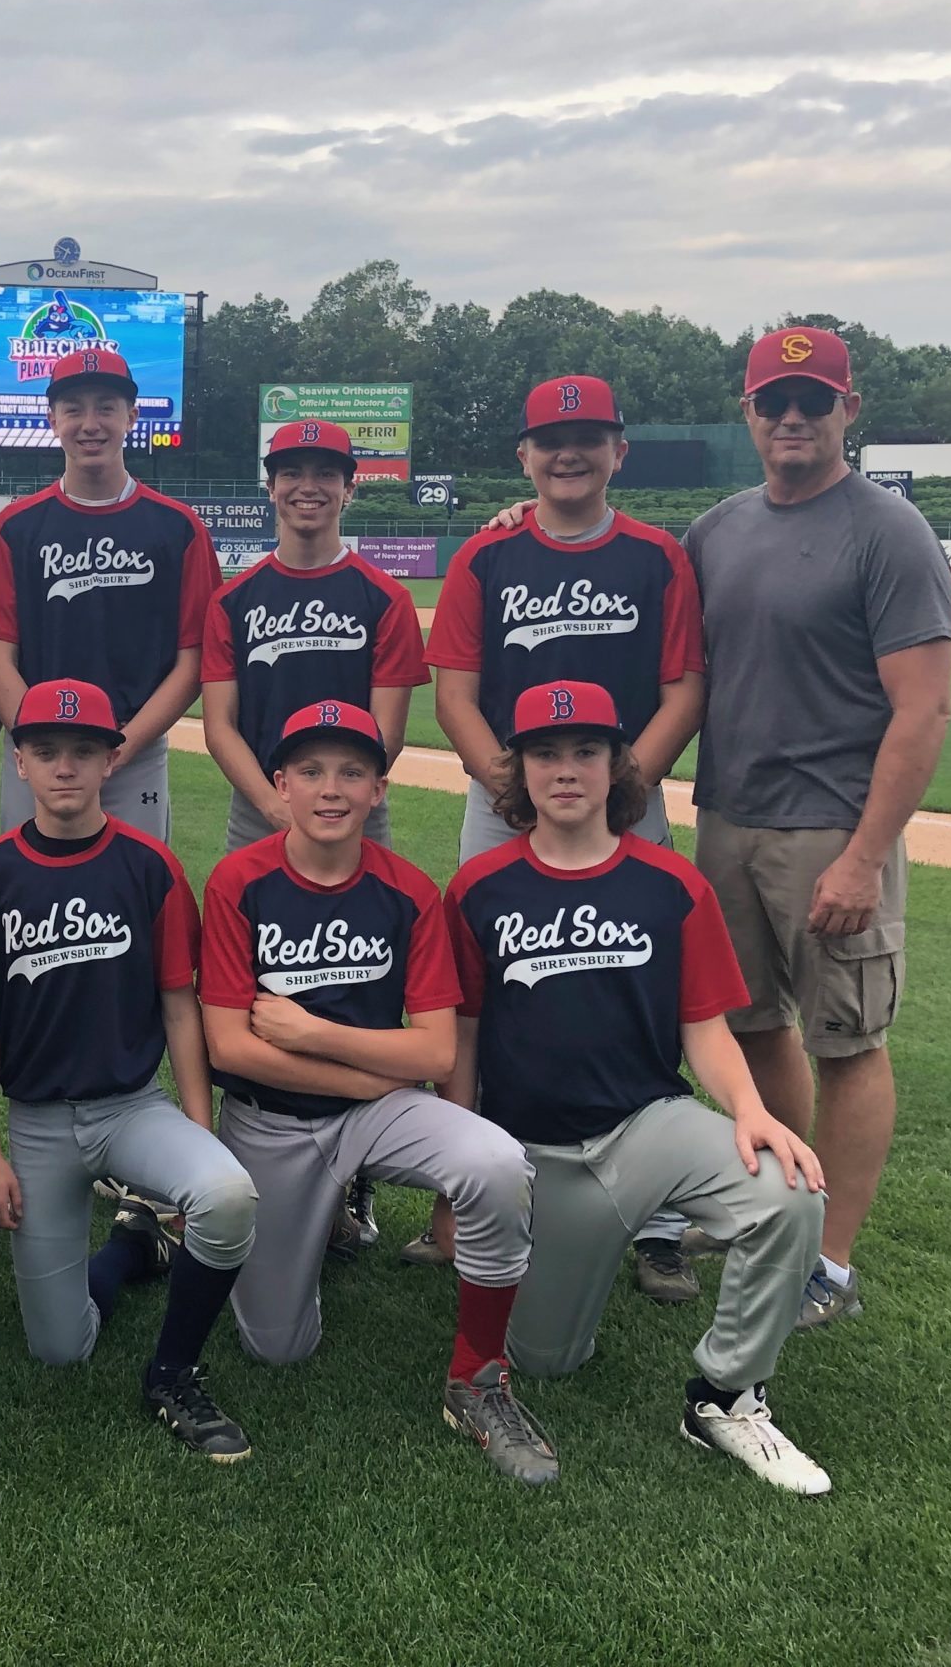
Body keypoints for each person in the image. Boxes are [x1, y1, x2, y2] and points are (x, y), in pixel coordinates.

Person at [443, 681, 834, 1495]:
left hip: (645, 1131)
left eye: (586, 750)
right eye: (545, 753)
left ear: (617, 766)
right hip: (534, 1153)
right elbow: (466, 1034)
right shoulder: (479, 887)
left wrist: (754, 1113)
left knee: (789, 1193)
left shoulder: (670, 884)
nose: (566, 769)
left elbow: (704, 1029)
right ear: (518, 770)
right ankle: (569, 1281)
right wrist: (457, 1164)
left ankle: (725, 1396)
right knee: (544, 1361)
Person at [198, 702, 550, 1485]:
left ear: (379, 789)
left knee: (493, 1161)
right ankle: (312, 1223)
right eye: (313, 772)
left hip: (378, 1114)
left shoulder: (409, 892)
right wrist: (376, 1071)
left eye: (352, 772)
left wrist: (315, 1036)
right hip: (272, 1124)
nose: (332, 790)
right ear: (279, 786)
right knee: (275, 1347)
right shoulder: (238, 882)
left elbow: (434, 1046)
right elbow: (228, 1046)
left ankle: (478, 1376)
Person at [684, 326, 951, 1330]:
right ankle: (784, 1210)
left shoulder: (887, 530)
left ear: (849, 411)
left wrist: (863, 855)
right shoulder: (716, 531)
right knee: (751, 1027)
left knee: (846, 1041)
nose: (791, 418)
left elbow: (922, 710)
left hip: (832, 831)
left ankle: (829, 1263)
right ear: (748, 414)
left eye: (812, 401)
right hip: (727, 818)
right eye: (772, 402)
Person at [433, 375, 708, 1298]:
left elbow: (682, 691)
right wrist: (508, 785)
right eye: (551, 440)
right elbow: (457, 694)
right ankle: (481, 1189)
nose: (568, 453)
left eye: (588, 437)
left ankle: (661, 1215)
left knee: (647, 984)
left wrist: (626, 785)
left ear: (618, 451)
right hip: (502, 796)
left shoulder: (657, 558)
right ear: (525, 456)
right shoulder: (486, 555)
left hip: (628, 799)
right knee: (486, 990)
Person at [0, 680, 260, 1460]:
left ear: (113, 760)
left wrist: (196, 1125)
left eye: (84, 751)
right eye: (46, 751)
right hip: (42, 1123)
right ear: (19, 762)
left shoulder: (148, 867)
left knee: (224, 1195)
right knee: (60, 1348)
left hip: (131, 1108)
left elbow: (180, 1005)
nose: (65, 768)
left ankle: (173, 1368)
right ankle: (131, 1250)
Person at [200, 416, 427, 1264]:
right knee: (247, 975)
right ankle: (252, 1146)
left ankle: (358, 1161)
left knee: (367, 969)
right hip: (256, 805)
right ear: (270, 486)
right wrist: (273, 800)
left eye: (324, 472)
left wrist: (333, 801)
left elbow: (391, 726)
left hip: (357, 808)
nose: (308, 486)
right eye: (291, 471)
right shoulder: (236, 597)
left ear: (347, 485)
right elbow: (219, 722)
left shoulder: (383, 596)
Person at [0, 348, 217, 844]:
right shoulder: (12, 530)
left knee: (136, 897)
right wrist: (40, 747)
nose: (90, 423)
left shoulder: (178, 528)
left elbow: (192, 660)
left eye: (106, 406)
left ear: (132, 415)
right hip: (40, 749)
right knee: (29, 894)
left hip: (135, 747)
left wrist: (118, 748)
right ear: (52, 419)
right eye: (74, 408)